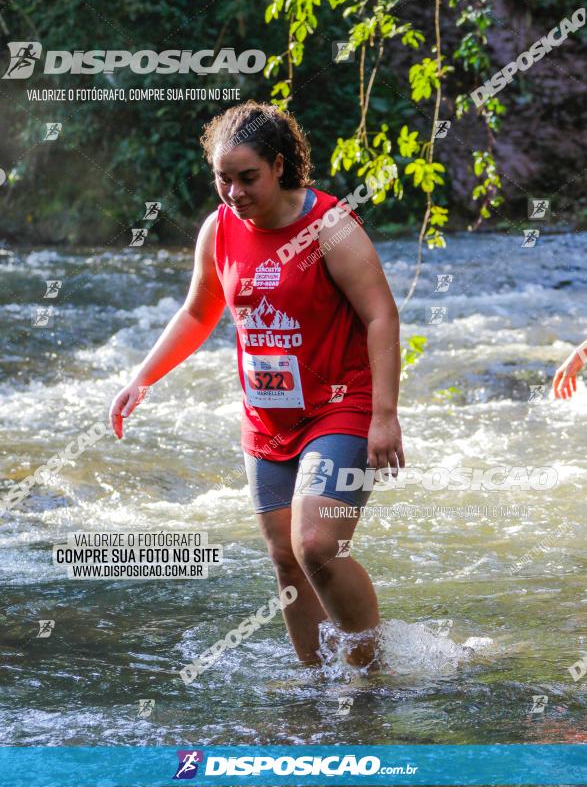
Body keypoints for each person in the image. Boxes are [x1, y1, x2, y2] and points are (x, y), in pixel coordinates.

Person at [109, 101, 404, 670]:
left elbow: (381, 315)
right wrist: (141, 377)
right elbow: (199, 312)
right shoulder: (219, 229)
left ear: (277, 165)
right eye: (224, 179)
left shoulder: (329, 226)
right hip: (268, 419)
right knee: (285, 560)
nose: (235, 192)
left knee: (316, 545)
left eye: (248, 178)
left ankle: (370, 674)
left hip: (342, 409)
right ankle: (315, 685)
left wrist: (385, 415)